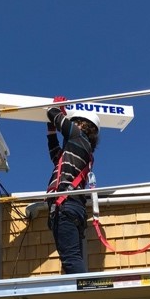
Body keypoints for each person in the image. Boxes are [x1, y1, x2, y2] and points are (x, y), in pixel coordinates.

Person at [45, 96, 101, 274]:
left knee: (70, 259)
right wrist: (51, 132)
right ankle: (82, 290)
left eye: (74, 122)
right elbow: (56, 157)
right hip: (71, 206)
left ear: (83, 125)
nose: (73, 125)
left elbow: (51, 113)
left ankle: (84, 295)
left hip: (66, 206)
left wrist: (57, 108)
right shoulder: (80, 148)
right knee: (71, 257)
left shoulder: (78, 136)